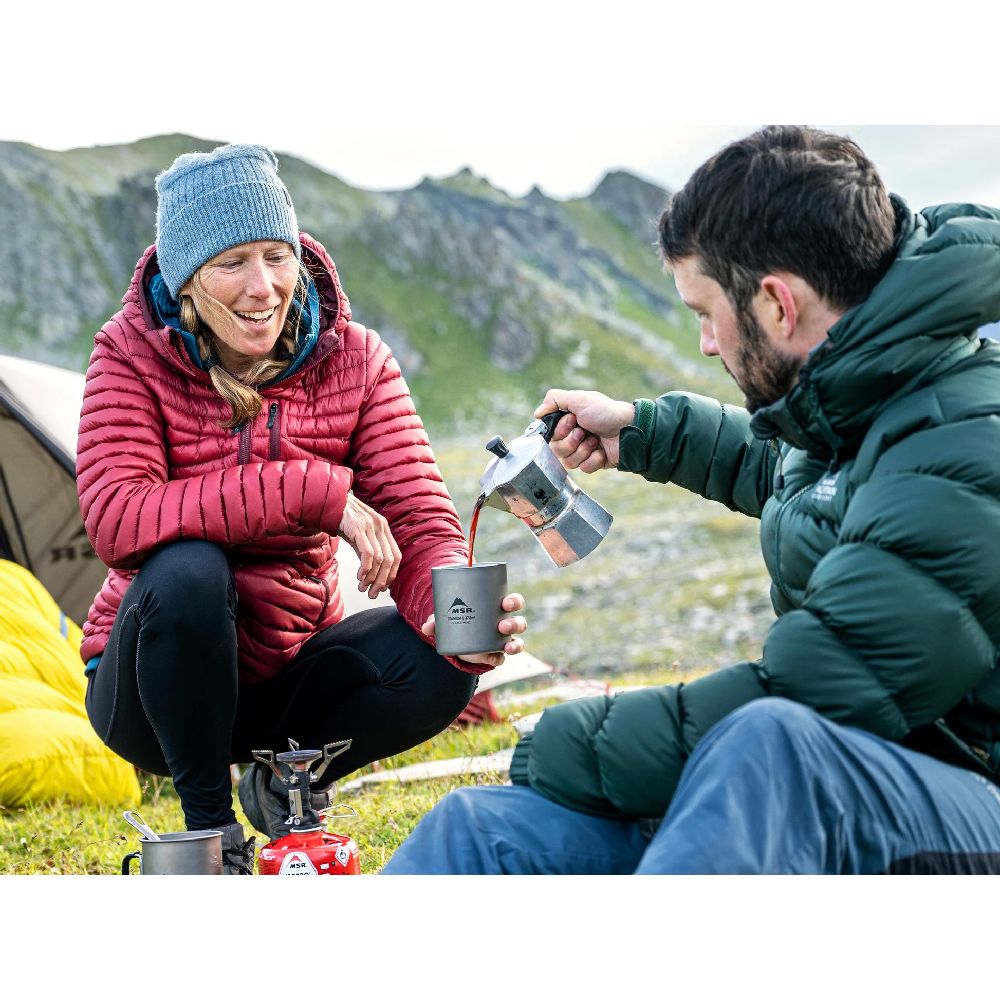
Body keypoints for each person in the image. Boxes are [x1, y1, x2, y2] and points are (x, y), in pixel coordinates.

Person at [383, 125, 1000, 875]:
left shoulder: (966, 447)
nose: (707, 343)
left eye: (706, 313)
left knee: (769, 747)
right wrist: (642, 432)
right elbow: (797, 476)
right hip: (859, 779)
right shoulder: (870, 397)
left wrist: (564, 740)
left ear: (777, 305)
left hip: (961, 796)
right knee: (478, 832)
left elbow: (817, 696)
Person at [77, 143, 527, 873]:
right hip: (154, 692)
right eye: (232, 264)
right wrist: (319, 494)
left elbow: (418, 518)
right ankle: (211, 833)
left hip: (290, 672)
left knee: (444, 658)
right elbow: (117, 516)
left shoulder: (356, 358)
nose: (263, 287)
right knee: (187, 569)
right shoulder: (129, 353)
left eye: (275, 256)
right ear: (186, 278)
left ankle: (288, 787)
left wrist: (447, 609)